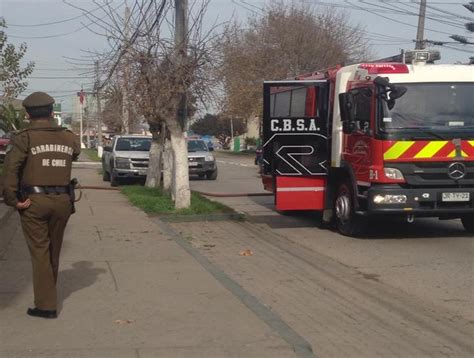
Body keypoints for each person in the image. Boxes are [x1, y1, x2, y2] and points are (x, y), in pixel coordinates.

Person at [2, 92, 80, 319]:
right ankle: (49, 294)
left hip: (34, 202)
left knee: (40, 252)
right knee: (53, 251)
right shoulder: (68, 137)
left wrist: (13, 199)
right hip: (63, 201)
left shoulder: (24, 138)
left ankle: (46, 306)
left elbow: (10, 172)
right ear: (52, 112)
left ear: (27, 114)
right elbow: (74, 154)